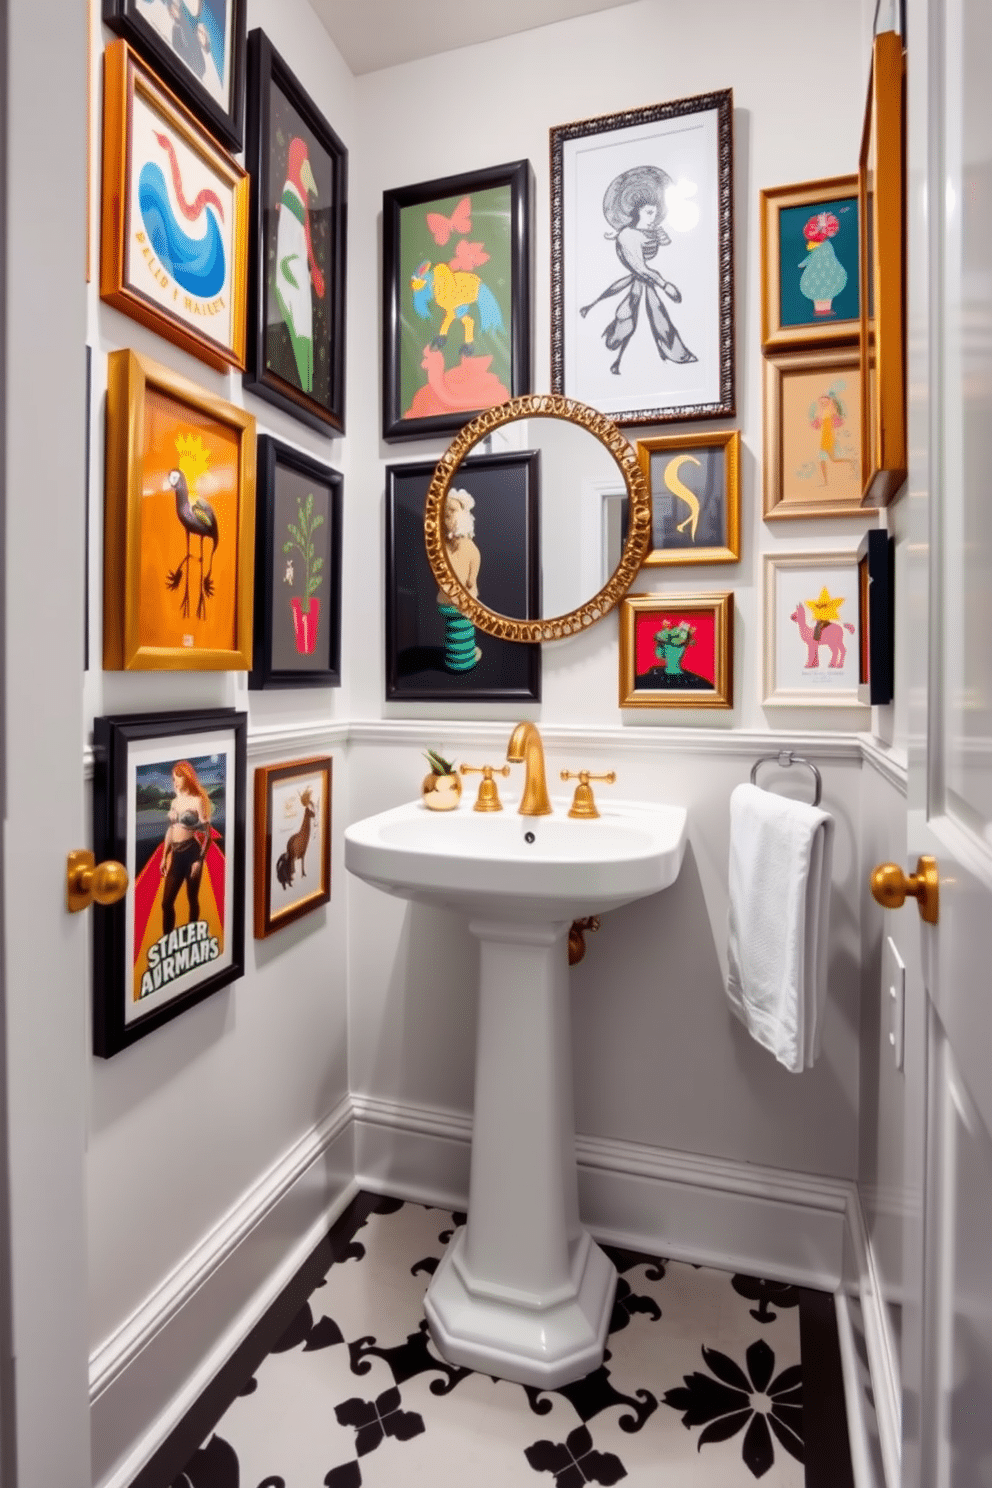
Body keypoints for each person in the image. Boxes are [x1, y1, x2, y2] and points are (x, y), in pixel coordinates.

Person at [580, 164, 697, 374]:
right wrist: (664, 284)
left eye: (655, 211)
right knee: (633, 317)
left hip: (645, 283)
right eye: (649, 212)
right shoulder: (628, 236)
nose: (654, 216)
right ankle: (621, 358)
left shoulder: (650, 231)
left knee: (647, 317)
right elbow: (640, 267)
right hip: (643, 282)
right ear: (637, 212)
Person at [160, 760, 212, 934]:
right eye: (173, 778)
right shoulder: (175, 802)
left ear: (187, 777)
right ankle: (167, 941)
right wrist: (164, 856)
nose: (174, 781)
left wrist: (199, 860)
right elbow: (171, 830)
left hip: (192, 853)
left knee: (192, 898)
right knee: (166, 903)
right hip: (176, 855)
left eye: (178, 777)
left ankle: (192, 936)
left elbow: (207, 835)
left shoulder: (197, 801)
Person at [435, 488, 482, 672]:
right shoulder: (472, 550)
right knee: (461, 632)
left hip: (447, 602)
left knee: (457, 633)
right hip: (463, 605)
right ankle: (464, 658)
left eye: (452, 512)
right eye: (445, 514)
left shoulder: (443, 549)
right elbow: (471, 582)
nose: (448, 518)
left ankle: (461, 657)